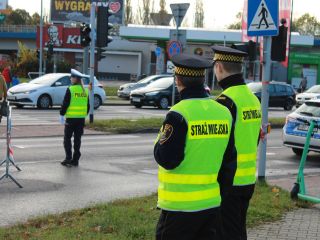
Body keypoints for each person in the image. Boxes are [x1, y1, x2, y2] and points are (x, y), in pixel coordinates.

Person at [154, 53, 235, 240]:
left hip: (179, 208)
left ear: (178, 81)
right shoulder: (223, 113)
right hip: (211, 206)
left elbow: (167, 159)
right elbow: (230, 162)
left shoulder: (178, 114)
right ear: (202, 80)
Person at [212, 45, 262, 240]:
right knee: (238, 230)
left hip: (228, 181)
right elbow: (254, 138)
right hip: (248, 179)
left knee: (228, 233)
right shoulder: (253, 99)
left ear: (220, 68)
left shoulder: (225, 102)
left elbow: (218, 147)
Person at [60, 69, 90, 167]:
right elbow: (88, 106)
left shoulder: (71, 89)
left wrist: (61, 114)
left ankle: (68, 158)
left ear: (75, 79)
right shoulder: (85, 90)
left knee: (67, 139)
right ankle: (75, 160)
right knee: (77, 139)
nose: (70, 78)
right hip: (81, 119)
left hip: (71, 119)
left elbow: (65, 103)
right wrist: (83, 114)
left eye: (72, 77)